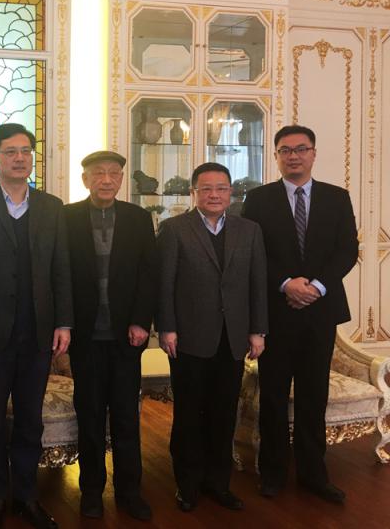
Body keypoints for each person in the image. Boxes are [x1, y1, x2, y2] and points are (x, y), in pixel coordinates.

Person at [0, 123, 73, 529]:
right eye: (10, 151)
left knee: (29, 419)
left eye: (25, 150)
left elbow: (61, 270)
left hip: (38, 333)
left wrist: (64, 322)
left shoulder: (52, 207)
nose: (19, 158)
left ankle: (26, 495)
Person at [242, 125, 358, 504]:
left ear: (313, 153)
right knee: (274, 395)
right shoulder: (258, 199)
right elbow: (253, 252)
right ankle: (273, 472)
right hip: (275, 312)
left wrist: (316, 287)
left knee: (313, 394)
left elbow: (346, 250)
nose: (294, 156)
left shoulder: (337, 198)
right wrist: (286, 283)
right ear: (276, 156)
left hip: (320, 312)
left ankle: (313, 474)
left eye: (301, 149)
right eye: (285, 150)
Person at [156, 162, 268, 513]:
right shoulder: (174, 229)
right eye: (206, 189)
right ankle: (188, 485)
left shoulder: (249, 230)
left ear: (231, 192)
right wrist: (167, 328)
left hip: (233, 338)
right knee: (189, 415)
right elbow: (164, 284)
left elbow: (257, 283)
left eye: (221, 188)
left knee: (223, 414)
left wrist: (257, 330)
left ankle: (219, 484)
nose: (214, 195)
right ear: (194, 193)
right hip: (188, 338)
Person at [63, 150, 157, 521]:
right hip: (85, 337)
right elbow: (60, 275)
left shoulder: (138, 218)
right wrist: (64, 324)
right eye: (98, 173)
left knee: (125, 418)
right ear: (85, 179)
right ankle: (90, 491)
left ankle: (129, 492)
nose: (106, 180)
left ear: (121, 179)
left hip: (125, 337)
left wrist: (141, 321)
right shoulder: (66, 217)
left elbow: (149, 274)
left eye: (113, 173)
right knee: (89, 416)